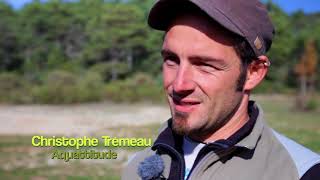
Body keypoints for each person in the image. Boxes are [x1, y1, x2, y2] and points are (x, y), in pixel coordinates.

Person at [122, 0, 320, 179]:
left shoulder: (301, 172)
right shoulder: (138, 164)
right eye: (171, 60)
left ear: (253, 72)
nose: (179, 85)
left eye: (205, 65)